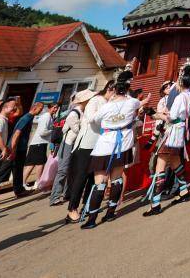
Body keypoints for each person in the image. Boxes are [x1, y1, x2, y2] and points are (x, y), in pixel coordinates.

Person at [81, 79, 144, 229]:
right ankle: (110, 212)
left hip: (106, 143)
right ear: (127, 90)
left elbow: (93, 119)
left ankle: (92, 218)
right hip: (122, 144)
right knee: (116, 179)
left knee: (100, 181)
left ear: (114, 90)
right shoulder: (131, 103)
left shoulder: (107, 106)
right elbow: (141, 103)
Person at [144, 69, 190, 216]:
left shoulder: (179, 98)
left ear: (180, 82)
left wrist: (155, 113)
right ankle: (184, 190)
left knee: (160, 165)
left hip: (172, 132)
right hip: (179, 132)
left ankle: (155, 203)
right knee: (175, 161)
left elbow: (171, 117)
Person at [65, 85, 109, 225]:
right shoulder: (91, 106)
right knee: (81, 177)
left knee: (91, 177)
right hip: (85, 146)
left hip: (95, 145)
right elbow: (94, 121)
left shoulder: (93, 105)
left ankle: (87, 204)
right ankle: (72, 209)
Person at [50, 91, 93, 206]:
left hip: (74, 144)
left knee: (71, 170)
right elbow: (77, 130)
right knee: (63, 169)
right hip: (68, 143)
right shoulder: (74, 113)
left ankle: (67, 193)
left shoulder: (82, 112)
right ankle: (55, 196)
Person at [24, 102, 52, 189]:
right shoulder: (46, 116)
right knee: (38, 164)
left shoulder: (47, 116)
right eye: (54, 107)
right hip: (39, 143)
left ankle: (29, 182)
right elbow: (42, 132)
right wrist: (52, 130)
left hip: (39, 143)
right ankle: (36, 181)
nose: (56, 109)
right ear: (49, 108)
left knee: (33, 164)